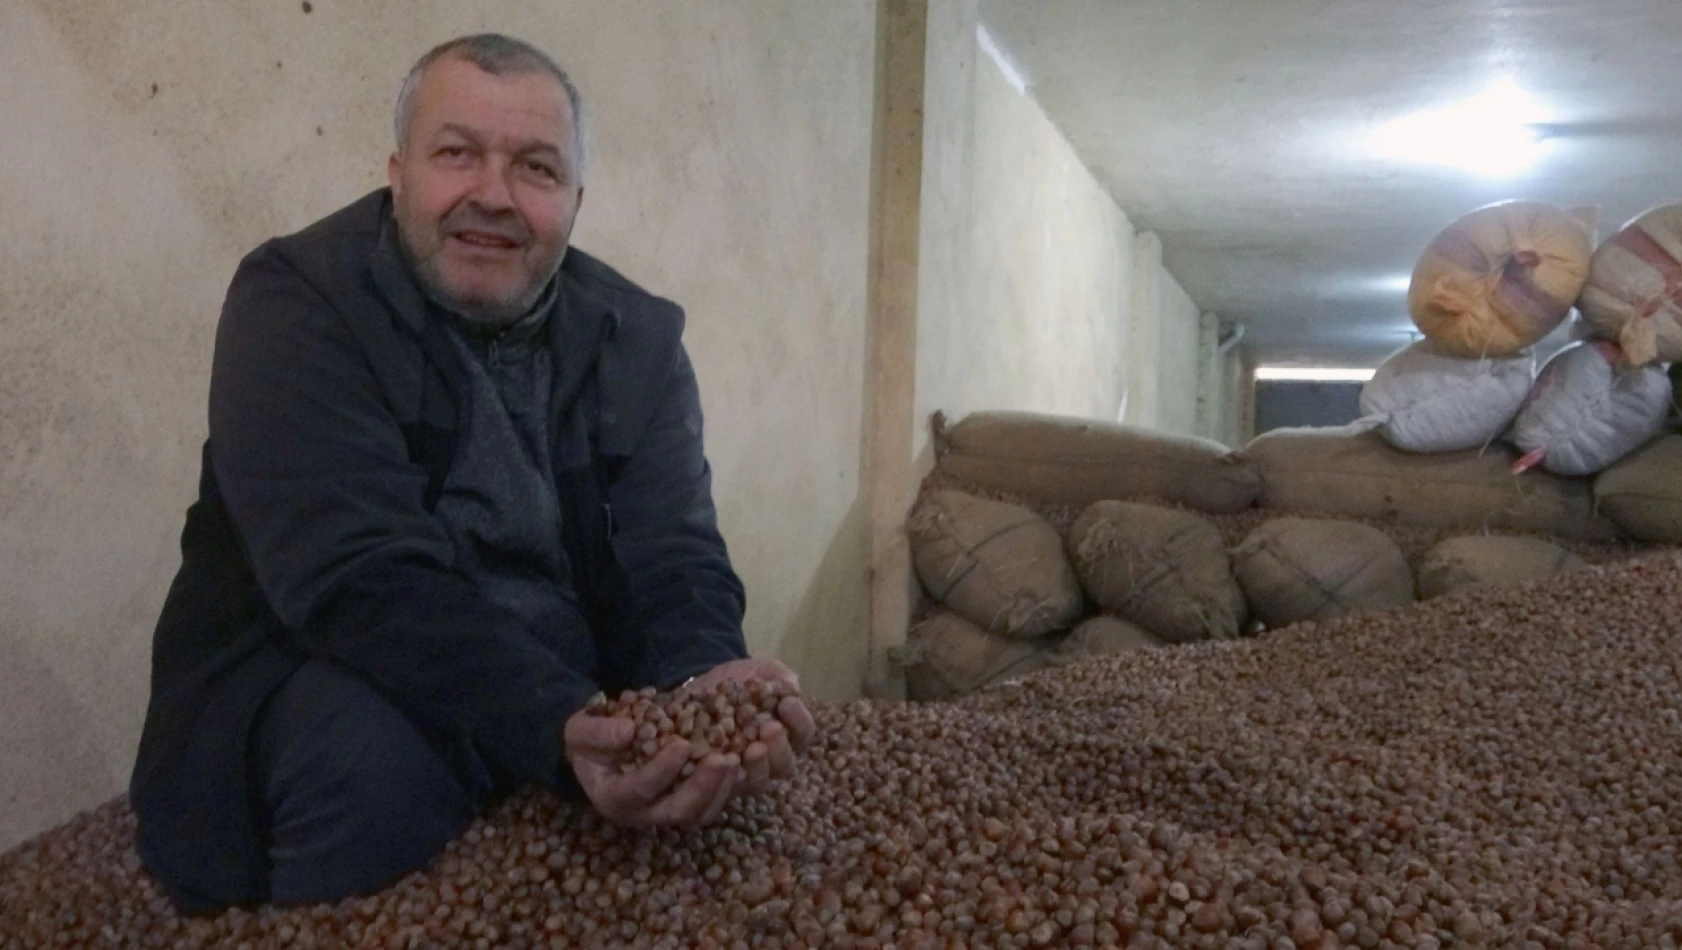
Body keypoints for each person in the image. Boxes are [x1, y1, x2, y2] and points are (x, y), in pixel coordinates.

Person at [128, 32, 815, 913]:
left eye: (535, 168)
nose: (492, 195)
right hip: (327, 667)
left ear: (575, 198)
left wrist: (700, 681)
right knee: (369, 761)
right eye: (457, 154)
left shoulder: (637, 339)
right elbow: (358, 575)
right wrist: (561, 725)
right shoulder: (297, 303)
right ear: (399, 172)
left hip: (555, 683)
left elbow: (673, 555)